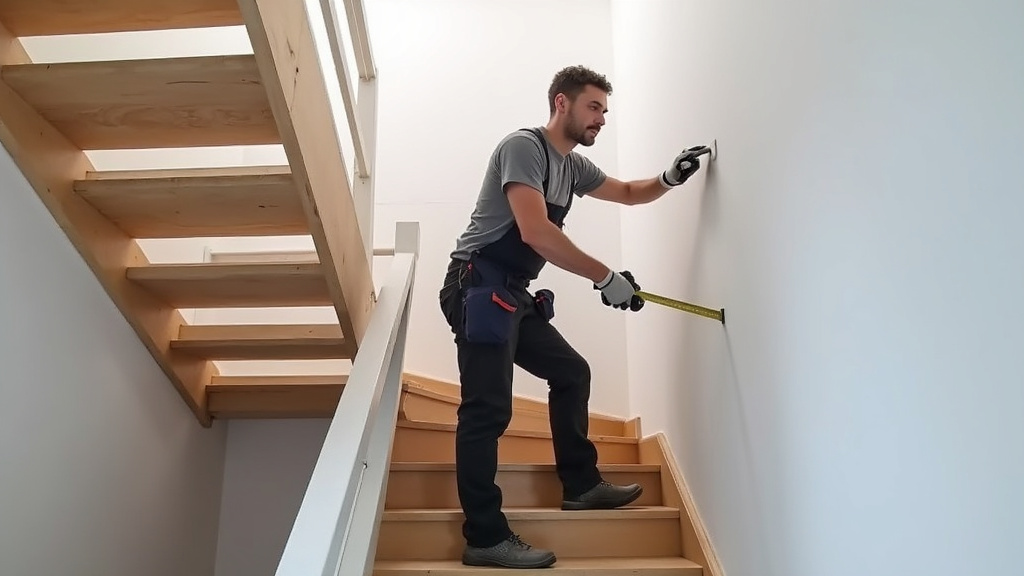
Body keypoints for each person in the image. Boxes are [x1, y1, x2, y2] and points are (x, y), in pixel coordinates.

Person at [437, 65, 707, 569]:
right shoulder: (523, 147)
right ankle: (485, 536)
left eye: (604, 110)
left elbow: (628, 192)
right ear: (562, 103)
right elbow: (536, 231)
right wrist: (605, 276)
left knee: (571, 372)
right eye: (594, 107)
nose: (601, 118)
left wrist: (669, 178)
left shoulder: (574, 166)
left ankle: (581, 485)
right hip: (476, 284)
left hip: (511, 291)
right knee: (487, 410)